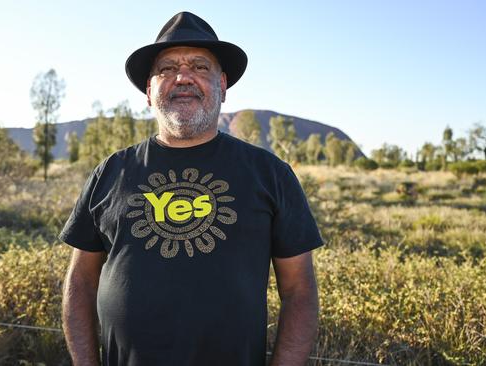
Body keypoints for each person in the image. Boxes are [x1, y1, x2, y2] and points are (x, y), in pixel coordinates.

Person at [60, 11, 324, 366]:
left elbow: (299, 292)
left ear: (223, 86)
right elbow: (80, 282)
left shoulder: (270, 174)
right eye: (167, 69)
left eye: (200, 67)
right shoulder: (111, 172)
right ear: (149, 92)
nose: (183, 77)